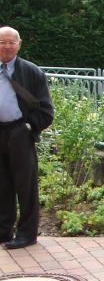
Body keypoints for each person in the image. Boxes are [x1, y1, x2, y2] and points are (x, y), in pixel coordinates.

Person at [0, 26, 54, 250]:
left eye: (11, 42)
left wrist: (29, 126)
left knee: (26, 185)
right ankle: (3, 230)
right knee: (2, 185)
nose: (7, 46)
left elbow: (46, 110)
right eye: (2, 42)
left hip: (20, 133)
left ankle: (27, 234)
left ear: (19, 44)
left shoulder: (31, 72)